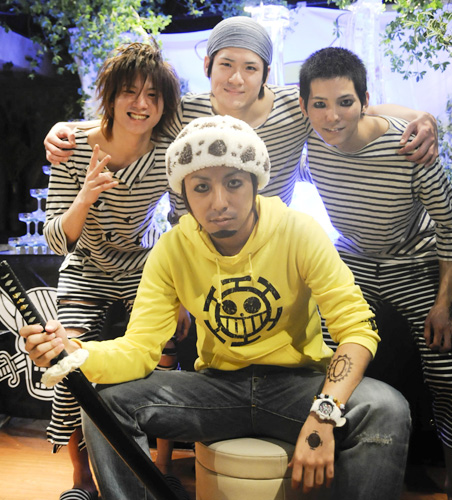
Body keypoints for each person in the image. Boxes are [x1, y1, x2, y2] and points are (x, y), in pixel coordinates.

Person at [22, 114, 411, 500]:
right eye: (202, 187)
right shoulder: (173, 249)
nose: (219, 202)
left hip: (297, 386)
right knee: (105, 403)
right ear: (184, 194)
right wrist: (73, 352)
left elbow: (356, 328)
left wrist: (324, 414)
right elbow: (139, 349)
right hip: (218, 390)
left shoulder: (298, 231)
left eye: (234, 183)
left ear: (255, 182)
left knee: (386, 409)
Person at [43, 16, 439, 218]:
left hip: (271, 241)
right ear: (207, 66)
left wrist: (422, 117)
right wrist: (66, 129)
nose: (236, 79)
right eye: (226, 65)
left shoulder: (297, 107)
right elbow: (135, 120)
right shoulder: (185, 111)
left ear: (266, 73)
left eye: (250, 68)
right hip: (198, 241)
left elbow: (359, 110)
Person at [298, 47, 452, 500]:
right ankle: (327, 466)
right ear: (304, 106)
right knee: (315, 352)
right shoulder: (308, 142)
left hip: (413, 260)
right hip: (351, 260)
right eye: (320, 104)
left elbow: (450, 226)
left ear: (365, 100)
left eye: (345, 102)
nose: (332, 117)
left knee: (449, 368)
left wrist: (445, 302)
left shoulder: (408, 148)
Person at [42, 41, 190, 500]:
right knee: (67, 361)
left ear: (164, 105)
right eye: (129, 91)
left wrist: (181, 292)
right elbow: (56, 239)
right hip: (87, 267)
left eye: (153, 95)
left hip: (146, 266)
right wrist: (85, 196)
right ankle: (81, 478)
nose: (141, 104)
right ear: (110, 95)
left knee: (164, 355)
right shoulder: (72, 147)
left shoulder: (169, 152)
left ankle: (160, 468)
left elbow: (184, 222)